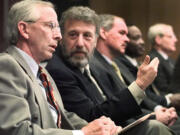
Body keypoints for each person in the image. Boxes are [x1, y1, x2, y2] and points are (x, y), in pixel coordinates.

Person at [46, 7, 175, 135]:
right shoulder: (59, 70)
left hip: (117, 126)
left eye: (87, 36)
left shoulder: (87, 64)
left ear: (96, 40)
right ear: (61, 38)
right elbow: (91, 117)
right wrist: (140, 84)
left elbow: (108, 105)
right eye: (73, 35)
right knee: (155, 127)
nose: (80, 43)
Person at [0, 1, 121, 135]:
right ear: (24, 29)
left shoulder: (42, 72)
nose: (59, 36)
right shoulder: (6, 65)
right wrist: (83, 133)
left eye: (57, 28)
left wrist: (101, 128)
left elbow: (60, 116)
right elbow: (16, 130)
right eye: (51, 26)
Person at [116, 25, 180, 134]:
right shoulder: (120, 64)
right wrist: (160, 108)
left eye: (141, 38)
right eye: (136, 38)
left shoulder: (137, 63)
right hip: (134, 118)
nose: (142, 42)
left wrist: (158, 108)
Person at [148, 23, 177, 94]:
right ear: (158, 40)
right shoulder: (153, 60)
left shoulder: (171, 61)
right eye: (170, 36)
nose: (175, 40)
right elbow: (162, 90)